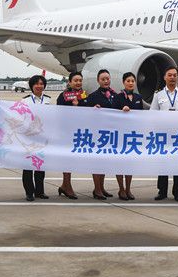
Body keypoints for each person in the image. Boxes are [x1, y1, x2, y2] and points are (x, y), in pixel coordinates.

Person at [151, 66, 178, 202]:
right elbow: (153, 114)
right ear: (165, 77)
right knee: (163, 164)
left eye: (175, 75)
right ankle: (162, 191)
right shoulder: (158, 95)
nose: (172, 78)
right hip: (163, 135)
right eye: (170, 75)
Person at [85, 69, 120, 200]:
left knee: (104, 161)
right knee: (97, 162)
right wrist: (93, 110)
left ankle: (101, 187)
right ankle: (97, 189)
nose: (106, 81)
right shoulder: (93, 96)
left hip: (110, 133)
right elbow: (85, 113)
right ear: (98, 81)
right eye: (103, 79)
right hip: (97, 134)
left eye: (107, 79)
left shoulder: (115, 95)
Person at [113, 71, 146, 200]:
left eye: (133, 81)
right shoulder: (118, 97)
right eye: (128, 81)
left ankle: (128, 189)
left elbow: (141, 115)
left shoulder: (138, 97)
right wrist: (121, 112)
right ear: (123, 82)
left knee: (129, 163)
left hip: (133, 135)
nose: (131, 83)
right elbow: (112, 114)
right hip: (120, 134)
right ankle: (121, 189)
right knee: (119, 163)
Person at [55, 71, 88, 199]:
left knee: (74, 159)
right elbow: (59, 113)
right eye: (75, 80)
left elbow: (88, 108)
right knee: (67, 158)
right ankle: (67, 185)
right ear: (69, 82)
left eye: (80, 80)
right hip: (67, 132)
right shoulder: (63, 96)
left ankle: (64, 185)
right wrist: (73, 107)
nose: (78, 83)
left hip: (80, 132)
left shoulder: (84, 94)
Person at [21, 74, 51, 201]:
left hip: (42, 137)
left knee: (40, 166)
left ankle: (40, 191)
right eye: (36, 84)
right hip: (29, 138)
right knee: (28, 166)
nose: (39, 86)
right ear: (31, 86)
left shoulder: (48, 100)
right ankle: (29, 192)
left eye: (41, 84)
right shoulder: (25, 101)